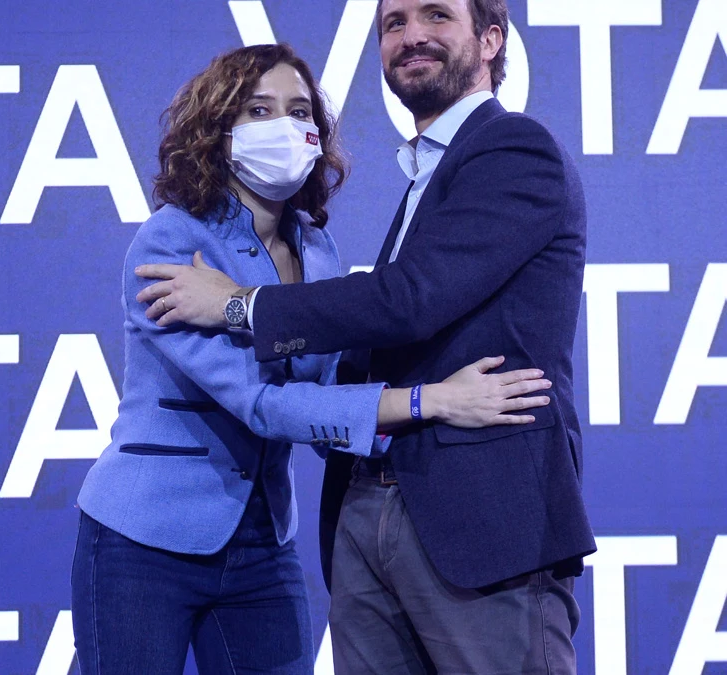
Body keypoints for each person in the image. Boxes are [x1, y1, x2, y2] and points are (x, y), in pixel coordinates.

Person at [134, 1, 595, 673]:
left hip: (481, 522)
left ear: (491, 39)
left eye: (436, 16)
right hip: (369, 509)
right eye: (394, 23)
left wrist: (240, 306)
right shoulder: (427, 175)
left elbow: (409, 301)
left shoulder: (514, 149)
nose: (412, 37)